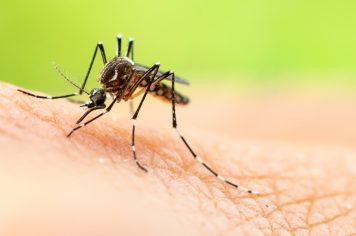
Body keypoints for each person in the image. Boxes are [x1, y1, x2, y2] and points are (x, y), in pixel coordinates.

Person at [0, 82, 355, 235]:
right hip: (128, 80)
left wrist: (133, 134)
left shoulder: (127, 85)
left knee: (141, 91)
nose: (97, 103)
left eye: (97, 99)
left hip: (155, 83)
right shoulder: (106, 86)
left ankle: (165, 136)